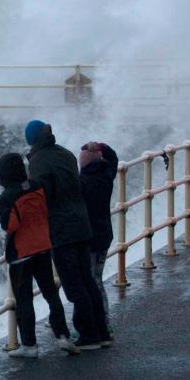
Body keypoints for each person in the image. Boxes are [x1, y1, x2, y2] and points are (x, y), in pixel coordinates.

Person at [24, 119, 110, 350]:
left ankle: (89, 336)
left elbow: (43, 197)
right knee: (87, 280)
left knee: (74, 285)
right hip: (82, 224)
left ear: (31, 140)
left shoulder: (39, 163)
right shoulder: (66, 154)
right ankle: (101, 332)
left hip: (62, 229)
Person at [0, 153, 77, 358]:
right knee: (50, 292)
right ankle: (63, 335)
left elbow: (9, 225)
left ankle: (29, 345)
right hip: (42, 247)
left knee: (24, 300)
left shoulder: (7, 197)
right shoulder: (37, 186)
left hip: (21, 254)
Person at [79, 141, 119, 335]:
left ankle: (95, 326)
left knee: (89, 283)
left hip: (88, 239)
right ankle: (104, 323)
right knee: (97, 279)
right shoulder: (106, 175)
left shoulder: (82, 182)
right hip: (104, 236)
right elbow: (113, 158)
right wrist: (102, 146)